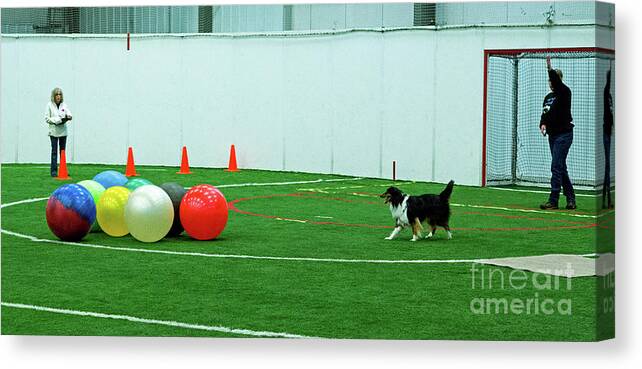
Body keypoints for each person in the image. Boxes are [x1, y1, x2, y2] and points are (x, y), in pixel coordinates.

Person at [539, 56, 576, 210]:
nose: (551, 83)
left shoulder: (565, 93)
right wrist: (542, 124)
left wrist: (549, 69)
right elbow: (545, 114)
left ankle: (553, 200)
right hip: (552, 135)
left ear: (559, 80)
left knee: (555, 166)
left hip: (564, 135)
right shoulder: (548, 98)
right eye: (549, 81)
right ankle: (571, 199)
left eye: (553, 80)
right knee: (560, 167)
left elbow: (556, 81)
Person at [45, 87, 72, 177]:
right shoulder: (49, 105)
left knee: (62, 152)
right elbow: (47, 118)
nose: (58, 96)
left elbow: (69, 113)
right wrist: (56, 120)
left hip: (63, 132)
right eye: (56, 94)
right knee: (54, 152)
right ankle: (53, 171)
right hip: (53, 131)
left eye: (60, 94)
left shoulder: (64, 105)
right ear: (53, 96)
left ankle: (63, 170)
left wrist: (68, 116)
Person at [602, 69, 614, 208]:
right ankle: (606, 200)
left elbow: (611, 114)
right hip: (604, 134)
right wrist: (609, 75)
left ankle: (608, 200)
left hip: (609, 133)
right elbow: (607, 85)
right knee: (606, 167)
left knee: (608, 168)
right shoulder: (605, 94)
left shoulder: (610, 97)